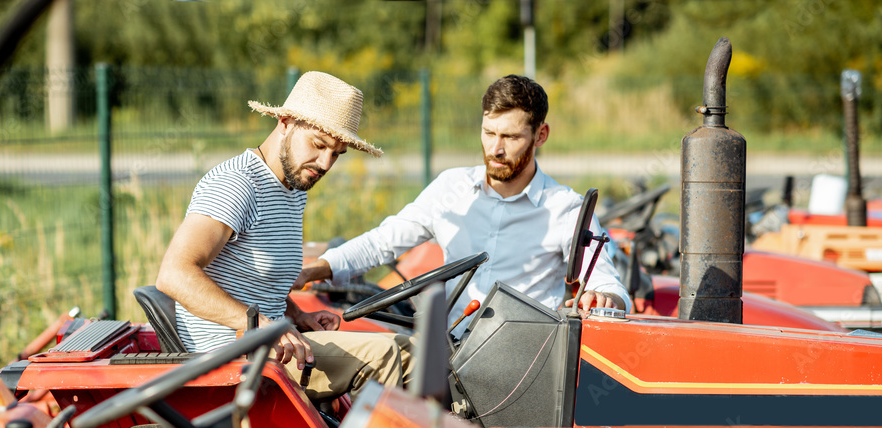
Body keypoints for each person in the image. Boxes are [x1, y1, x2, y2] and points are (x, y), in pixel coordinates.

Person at [155, 71, 411, 400]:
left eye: (337, 153)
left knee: (408, 347)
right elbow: (174, 274)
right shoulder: (237, 184)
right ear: (285, 122)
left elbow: (258, 283)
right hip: (232, 358)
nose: (325, 163)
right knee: (384, 354)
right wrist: (260, 325)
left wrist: (297, 316)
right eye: (319, 144)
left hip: (266, 345)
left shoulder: (291, 188)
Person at [295, 74, 631, 324]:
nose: (495, 149)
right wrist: (314, 270)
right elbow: (383, 241)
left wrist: (604, 296)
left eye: (511, 137)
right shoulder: (451, 188)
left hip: (522, 362)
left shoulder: (566, 209)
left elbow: (607, 284)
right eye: (489, 133)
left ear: (540, 135)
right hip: (447, 347)